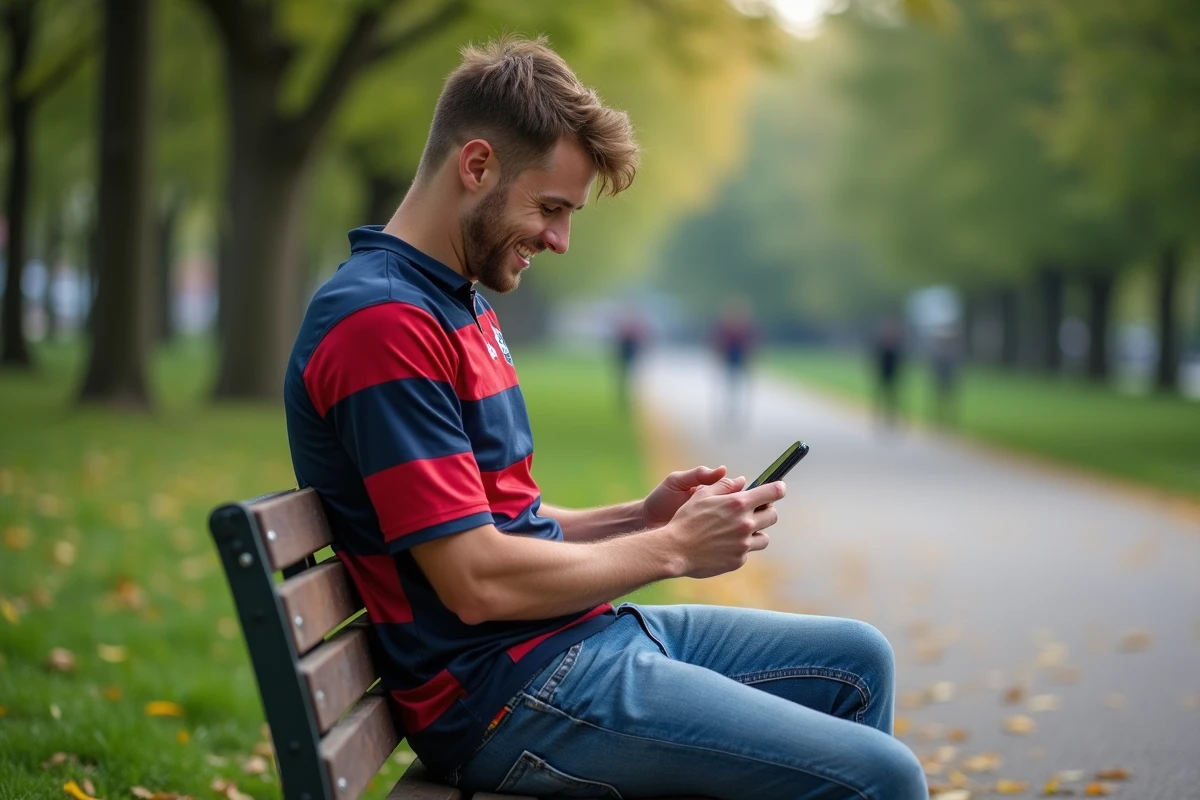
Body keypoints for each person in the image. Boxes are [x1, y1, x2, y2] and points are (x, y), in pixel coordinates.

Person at [283, 36, 925, 800]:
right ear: (477, 166)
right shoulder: (385, 326)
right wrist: (674, 549)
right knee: (881, 777)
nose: (558, 239)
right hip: (504, 698)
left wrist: (639, 516)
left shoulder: (451, 302)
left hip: (564, 645)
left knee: (858, 659)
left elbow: (495, 522)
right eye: (550, 208)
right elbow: (477, 582)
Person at [711, 298, 756, 424]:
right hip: (728, 356)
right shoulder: (723, 326)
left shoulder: (745, 327)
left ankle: (736, 410)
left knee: (739, 384)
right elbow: (717, 342)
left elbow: (751, 342)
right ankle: (729, 409)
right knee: (729, 383)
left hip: (739, 357)